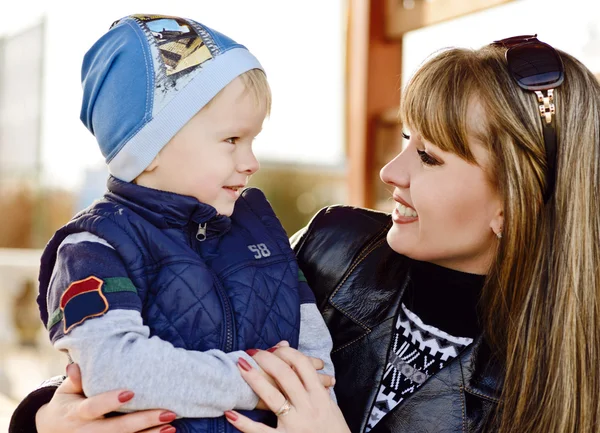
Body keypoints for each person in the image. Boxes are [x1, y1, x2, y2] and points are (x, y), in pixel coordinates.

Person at [10, 35, 600, 433]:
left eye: (431, 158)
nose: (390, 173)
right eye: (403, 142)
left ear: (515, 206)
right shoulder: (334, 245)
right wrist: (44, 420)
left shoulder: (568, 377)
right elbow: (157, 342)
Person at [11, 13, 335, 433]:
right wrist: (257, 383)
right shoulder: (96, 247)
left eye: (254, 140)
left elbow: (318, 365)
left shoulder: (261, 233)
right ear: (152, 146)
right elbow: (117, 371)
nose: (251, 162)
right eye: (232, 140)